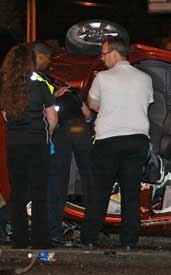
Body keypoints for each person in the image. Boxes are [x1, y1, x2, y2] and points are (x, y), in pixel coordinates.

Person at [81, 37, 153, 250]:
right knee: (130, 193)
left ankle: (90, 238)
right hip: (137, 139)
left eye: (103, 54)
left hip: (109, 140)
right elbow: (146, 103)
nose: (102, 59)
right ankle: (129, 240)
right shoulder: (145, 78)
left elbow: (93, 104)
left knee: (99, 191)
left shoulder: (102, 77)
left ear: (113, 53)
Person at [31, 42, 94, 247]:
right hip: (79, 130)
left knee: (57, 181)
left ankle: (55, 231)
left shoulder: (44, 81)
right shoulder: (54, 84)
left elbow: (48, 113)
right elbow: (87, 114)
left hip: (61, 132)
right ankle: (89, 231)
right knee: (88, 179)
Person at [0, 43, 58, 249]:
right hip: (37, 143)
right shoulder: (40, 86)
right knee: (39, 192)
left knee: (17, 192)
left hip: (15, 144)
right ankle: (41, 240)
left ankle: (19, 239)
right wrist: (47, 134)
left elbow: (6, 116)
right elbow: (52, 117)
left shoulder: (6, 88)